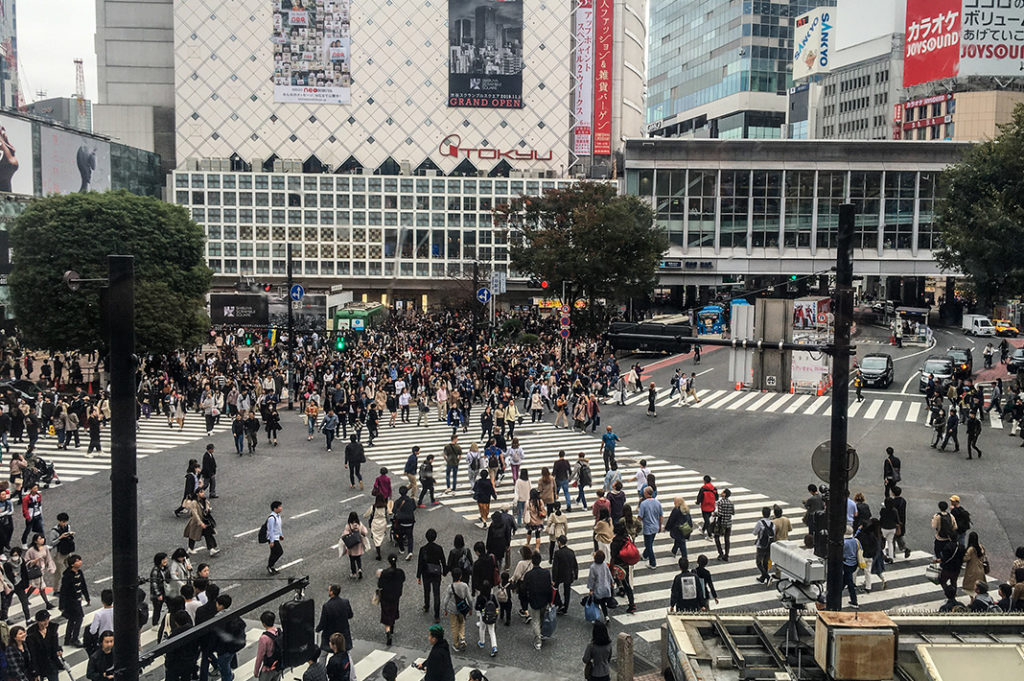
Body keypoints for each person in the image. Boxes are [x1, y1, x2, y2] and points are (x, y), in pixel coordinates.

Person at [523, 552, 553, 650]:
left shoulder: (528, 575)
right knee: (542, 617)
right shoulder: (546, 573)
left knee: (535, 620)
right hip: (544, 599)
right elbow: (549, 588)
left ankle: (538, 639)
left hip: (533, 600)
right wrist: (550, 601)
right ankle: (542, 634)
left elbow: (524, 589)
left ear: (532, 561)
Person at [59, 553, 89, 646]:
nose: (80, 562)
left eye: (80, 560)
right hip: (71, 602)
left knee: (72, 620)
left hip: (77, 600)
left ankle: (67, 639)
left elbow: (83, 585)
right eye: (77, 561)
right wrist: (62, 605)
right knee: (79, 618)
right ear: (72, 564)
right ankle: (74, 639)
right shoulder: (67, 576)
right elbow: (63, 591)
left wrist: (87, 597)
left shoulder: (79, 572)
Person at [316, 584, 354, 656]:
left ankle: (321, 667)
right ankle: (348, 666)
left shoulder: (326, 606)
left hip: (330, 634)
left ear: (332, 592)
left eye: (329, 590)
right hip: (343, 633)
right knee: (346, 653)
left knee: (323, 654)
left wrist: (317, 629)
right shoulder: (346, 602)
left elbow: (323, 622)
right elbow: (350, 615)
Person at [440, 567, 471, 652]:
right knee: (462, 623)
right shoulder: (464, 586)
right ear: (460, 576)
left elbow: (446, 600)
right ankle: (462, 638)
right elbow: (469, 598)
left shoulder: (450, 587)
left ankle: (456, 644)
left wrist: (445, 609)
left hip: (453, 609)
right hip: (462, 609)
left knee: (454, 626)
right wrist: (470, 608)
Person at [377, 553, 405, 646]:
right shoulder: (400, 572)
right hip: (396, 595)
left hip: (385, 596)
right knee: (393, 610)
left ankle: (388, 632)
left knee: (386, 613)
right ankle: (392, 628)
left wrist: (379, 576)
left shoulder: (384, 573)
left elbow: (380, 585)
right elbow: (403, 580)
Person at [27, 610, 62, 681]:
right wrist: (36, 672)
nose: (46, 622)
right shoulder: (32, 635)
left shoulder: (52, 629)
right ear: (38, 621)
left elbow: (55, 645)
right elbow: (33, 654)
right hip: (40, 663)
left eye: (47, 619)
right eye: (43, 620)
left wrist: (59, 649)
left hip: (52, 663)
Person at [25, 532, 56, 609]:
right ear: (35, 541)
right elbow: (26, 561)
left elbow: (48, 558)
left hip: (42, 570)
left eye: (42, 538)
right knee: (41, 587)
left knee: (35, 586)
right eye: (40, 538)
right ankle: (47, 603)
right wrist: (33, 562)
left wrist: (50, 567)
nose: (42, 540)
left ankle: (25, 598)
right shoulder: (31, 550)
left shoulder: (45, 548)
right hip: (35, 571)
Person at [637, 486, 663, 569]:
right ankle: (644, 555)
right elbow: (661, 516)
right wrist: (660, 526)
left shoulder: (643, 504)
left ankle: (653, 563)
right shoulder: (658, 503)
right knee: (650, 543)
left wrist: (635, 524)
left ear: (646, 493)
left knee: (648, 545)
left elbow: (640, 517)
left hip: (648, 528)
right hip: (655, 527)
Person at [551, 535, 578, 615]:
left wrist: (553, 579)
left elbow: (555, 567)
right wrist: (575, 575)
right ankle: (565, 608)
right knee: (567, 591)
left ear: (559, 543)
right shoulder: (571, 552)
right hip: (568, 574)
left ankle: (559, 603)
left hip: (559, 574)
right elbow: (575, 565)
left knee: (555, 588)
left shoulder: (557, 553)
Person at [253, 611, 283, 681]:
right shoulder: (279, 631)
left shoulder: (264, 638)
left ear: (263, 623)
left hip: (268, 668)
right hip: (278, 666)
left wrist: (256, 671)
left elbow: (260, 656)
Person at [586, 549, 614, 621]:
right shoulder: (604, 564)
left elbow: (591, 579)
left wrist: (591, 589)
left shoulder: (593, 567)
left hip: (598, 589)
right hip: (605, 587)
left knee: (596, 603)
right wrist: (612, 582)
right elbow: (609, 574)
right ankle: (606, 616)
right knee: (603, 603)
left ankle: (595, 617)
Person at [339, 511, 368, 580]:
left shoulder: (349, 525)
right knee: (358, 559)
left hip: (351, 546)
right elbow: (365, 532)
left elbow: (345, 535)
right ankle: (360, 569)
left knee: (352, 560)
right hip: (358, 545)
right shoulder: (359, 524)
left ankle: (354, 573)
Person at [474, 580, 499, 657]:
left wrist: (481, 609)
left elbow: (476, 607)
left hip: (483, 615)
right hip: (492, 615)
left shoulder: (480, 597)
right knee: (491, 631)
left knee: (482, 628)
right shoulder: (492, 596)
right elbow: (497, 606)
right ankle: (494, 647)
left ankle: (482, 642)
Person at [753, 507, 776, 584]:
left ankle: (767, 576)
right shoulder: (773, 524)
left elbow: (755, 532)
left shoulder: (760, 523)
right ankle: (763, 578)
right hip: (769, 545)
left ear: (762, 513)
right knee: (765, 561)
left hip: (761, 544)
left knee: (758, 562)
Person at [841, 527, 862, 609]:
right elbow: (860, 549)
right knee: (846, 580)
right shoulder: (856, 541)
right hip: (854, 564)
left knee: (849, 583)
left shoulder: (844, 542)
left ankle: (854, 601)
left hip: (846, 564)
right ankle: (836, 593)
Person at [149, 552, 170, 626]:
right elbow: (154, 583)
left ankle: (168, 621)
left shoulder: (166, 567)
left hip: (165, 591)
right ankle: (155, 624)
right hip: (158, 594)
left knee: (171, 606)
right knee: (157, 610)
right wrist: (158, 594)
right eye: (163, 559)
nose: (166, 560)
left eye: (166, 558)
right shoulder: (155, 570)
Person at [713, 488, 734, 562]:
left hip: (721, 524)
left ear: (724, 494)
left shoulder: (720, 502)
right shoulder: (731, 503)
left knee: (716, 537)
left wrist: (714, 514)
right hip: (728, 523)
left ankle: (721, 553)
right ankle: (726, 555)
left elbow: (720, 514)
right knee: (727, 539)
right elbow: (733, 512)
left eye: (722, 492)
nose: (721, 493)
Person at [266, 501, 284, 575]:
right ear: (275, 508)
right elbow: (270, 530)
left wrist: (281, 535)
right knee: (279, 552)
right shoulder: (272, 518)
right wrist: (271, 541)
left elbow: (278, 527)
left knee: (274, 553)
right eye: (279, 507)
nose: (281, 508)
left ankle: (271, 566)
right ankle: (270, 566)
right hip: (272, 538)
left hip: (276, 537)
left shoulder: (278, 516)